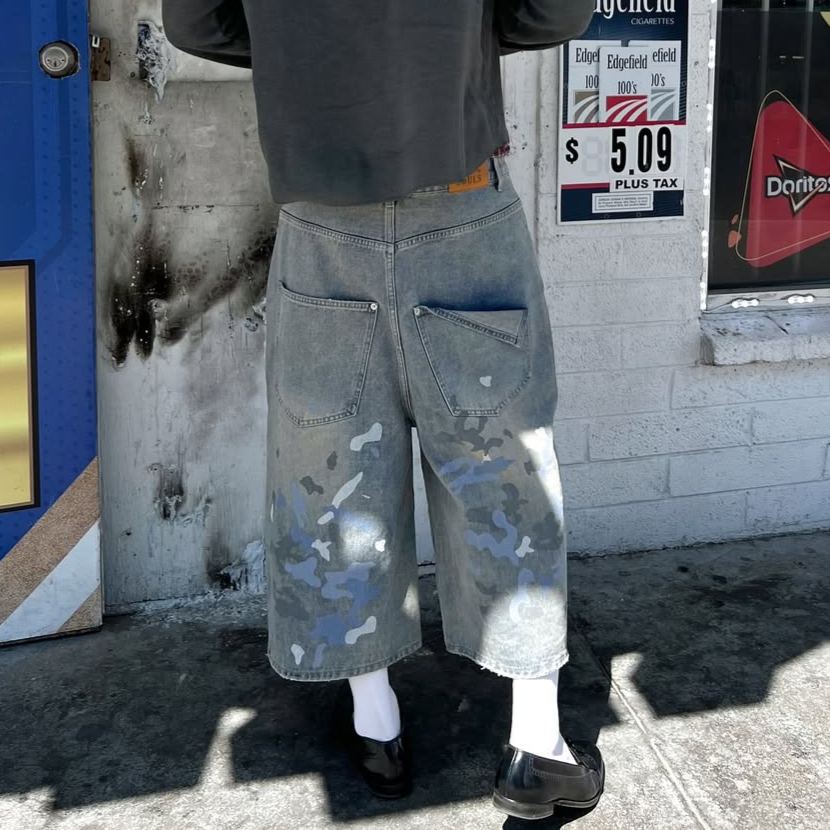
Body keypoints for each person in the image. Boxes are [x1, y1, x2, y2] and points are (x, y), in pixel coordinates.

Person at [161, 0, 604, 819]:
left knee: (330, 473)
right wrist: (462, 40)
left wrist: (305, 50)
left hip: (322, 217)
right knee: (504, 466)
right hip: (464, 209)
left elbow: (195, 23)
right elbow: (554, 9)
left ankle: (377, 726)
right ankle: (537, 743)